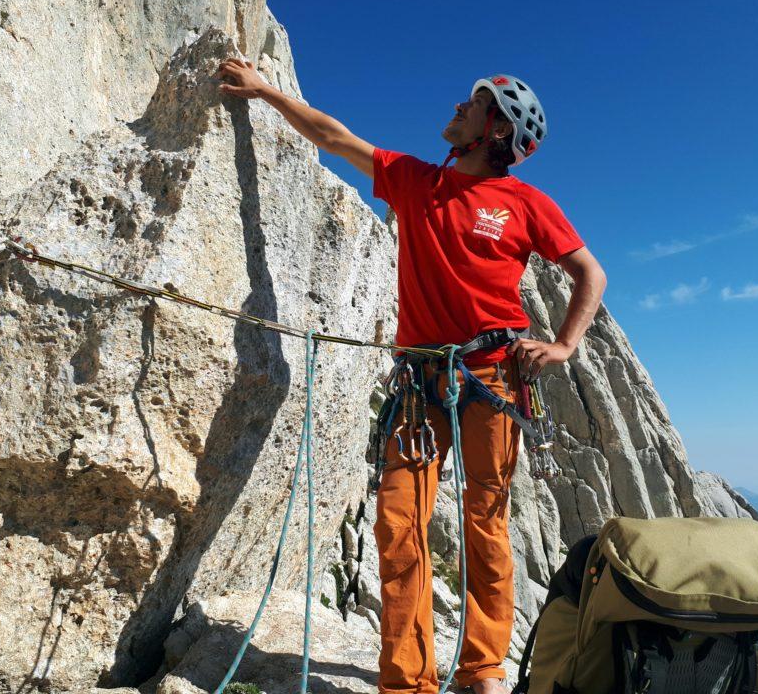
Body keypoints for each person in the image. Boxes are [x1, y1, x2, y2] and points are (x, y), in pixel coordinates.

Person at [217, 59, 607, 694]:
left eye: (474, 103)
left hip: (492, 378)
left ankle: (481, 669)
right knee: (399, 523)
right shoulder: (416, 181)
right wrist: (267, 92)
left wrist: (564, 344)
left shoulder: (526, 204)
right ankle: (406, 679)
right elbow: (336, 139)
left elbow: (590, 272)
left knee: (486, 523)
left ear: (497, 131)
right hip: (421, 381)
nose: (458, 106)